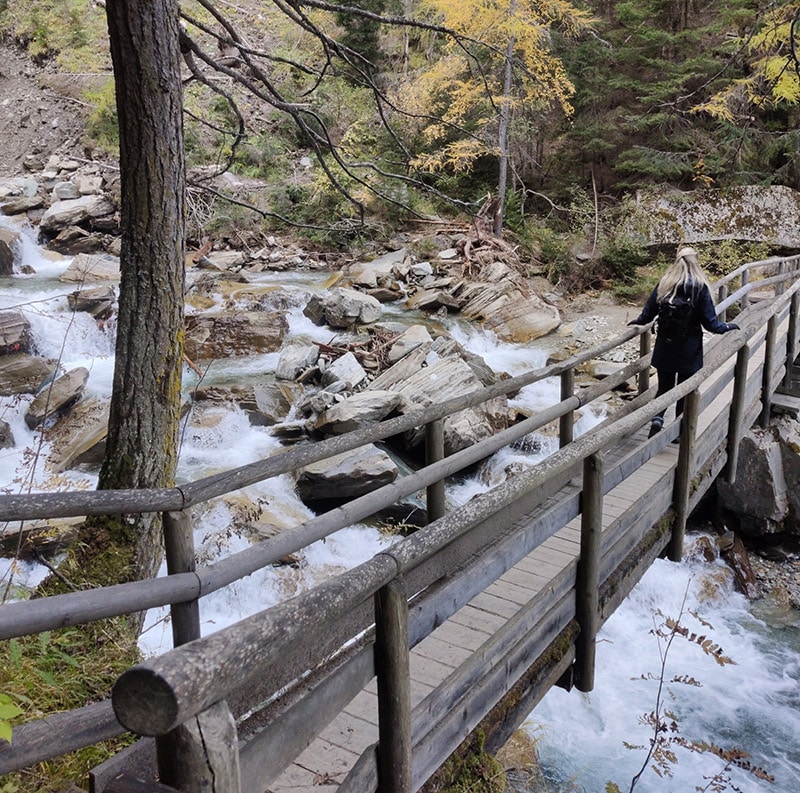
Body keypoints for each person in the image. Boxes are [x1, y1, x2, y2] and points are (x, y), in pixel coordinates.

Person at [628, 246, 739, 438]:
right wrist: (728, 327)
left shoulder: (666, 283)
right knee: (684, 390)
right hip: (688, 349)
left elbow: (648, 313)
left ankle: (658, 418)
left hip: (665, 347)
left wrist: (638, 322)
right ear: (696, 262)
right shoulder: (700, 288)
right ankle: (678, 433)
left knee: (664, 388)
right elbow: (711, 324)